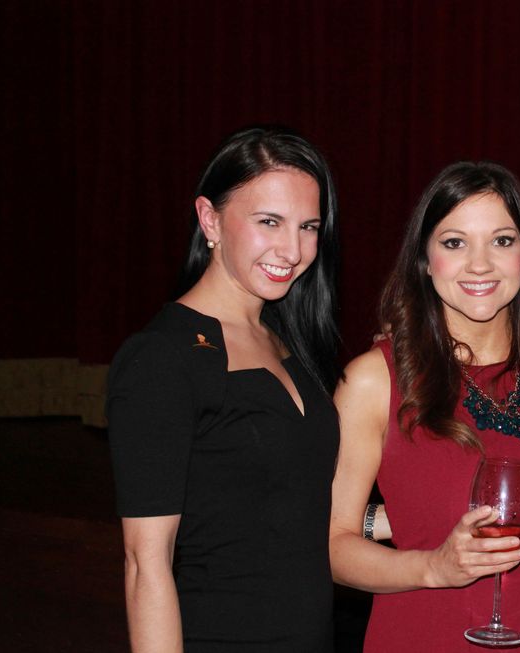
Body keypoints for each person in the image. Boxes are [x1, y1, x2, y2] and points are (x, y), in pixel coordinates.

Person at [329, 161, 520, 652]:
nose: (479, 265)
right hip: (426, 634)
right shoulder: (373, 381)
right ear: (425, 258)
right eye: (454, 242)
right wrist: (433, 567)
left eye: (501, 241)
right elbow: (331, 544)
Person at [107, 126, 341, 652]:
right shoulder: (161, 359)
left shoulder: (287, 341)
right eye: (268, 222)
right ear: (210, 219)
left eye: (308, 227)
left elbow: (292, 501)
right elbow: (146, 565)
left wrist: (413, 515)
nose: (293, 249)